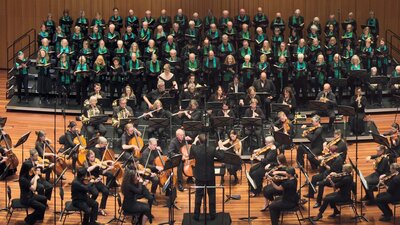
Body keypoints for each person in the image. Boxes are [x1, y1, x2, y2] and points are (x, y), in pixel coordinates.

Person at [189, 134, 223, 221]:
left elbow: (190, 155)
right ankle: (212, 215)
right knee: (211, 195)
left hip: (199, 176)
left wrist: (194, 141)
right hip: (210, 176)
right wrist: (221, 146)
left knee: (198, 195)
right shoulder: (212, 149)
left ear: (199, 141)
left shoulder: (195, 148)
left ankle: (196, 215)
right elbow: (221, 157)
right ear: (207, 141)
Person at [85, 150, 114, 216]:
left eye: (94, 156)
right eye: (92, 157)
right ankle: (89, 205)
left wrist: (107, 169)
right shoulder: (86, 163)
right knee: (95, 193)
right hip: (90, 182)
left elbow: (101, 172)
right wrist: (96, 165)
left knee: (106, 191)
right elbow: (88, 169)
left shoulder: (96, 161)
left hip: (97, 181)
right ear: (88, 158)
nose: (94, 158)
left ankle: (101, 209)